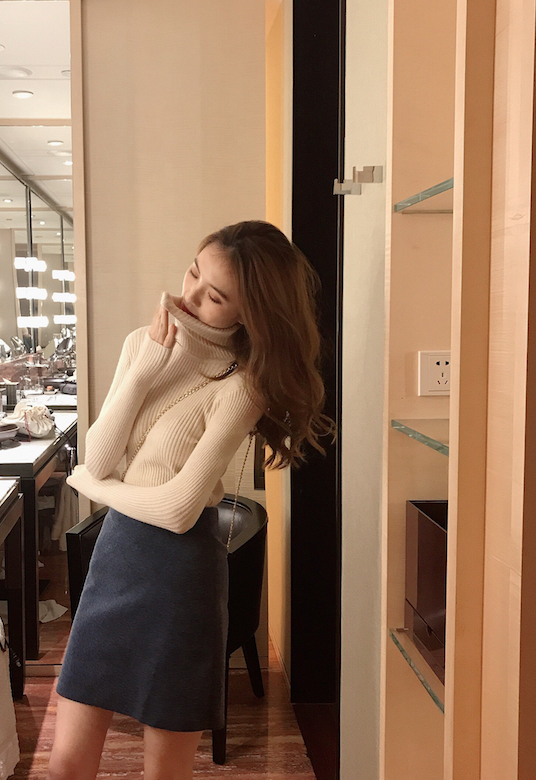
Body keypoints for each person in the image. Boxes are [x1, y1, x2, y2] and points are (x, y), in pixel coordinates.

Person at [48, 220, 334, 780]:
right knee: (65, 765)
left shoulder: (244, 385)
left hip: (182, 579)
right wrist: (144, 372)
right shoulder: (142, 344)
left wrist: (91, 488)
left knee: (166, 773)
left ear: (249, 315)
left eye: (215, 296)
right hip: (116, 558)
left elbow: (180, 510)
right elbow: (99, 456)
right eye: (193, 274)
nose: (191, 296)